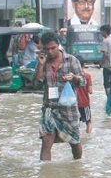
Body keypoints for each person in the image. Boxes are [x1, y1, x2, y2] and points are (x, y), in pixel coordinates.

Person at [35, 31, 86, 161]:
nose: (50, 51)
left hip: (68, 109)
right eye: (47, 49)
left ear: (59, 45)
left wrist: (74, 78)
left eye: (53, 48)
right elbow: (36, 83)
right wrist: (40, 66)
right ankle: (45, 175)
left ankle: (78, 166)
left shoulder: (72, 61)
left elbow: (83, 81)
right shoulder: (43, 62)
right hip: (49, 108)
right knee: (46, 143)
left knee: (74, 141)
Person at [74, 56, 93, 134]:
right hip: (84, 103)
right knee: (88, 122)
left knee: (75, 124)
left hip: (73, 104)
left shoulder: (71, 77)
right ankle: (88, 137)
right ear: (84, 64)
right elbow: (90, 91)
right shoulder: (87, 76)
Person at [98, 24, 111, 97]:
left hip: (107, 66)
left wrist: (101, 63)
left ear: (104, 31)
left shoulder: (105, 41)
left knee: (107, 85)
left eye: (101, 31)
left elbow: (105, 54)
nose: (101, 33)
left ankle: (109, 100)